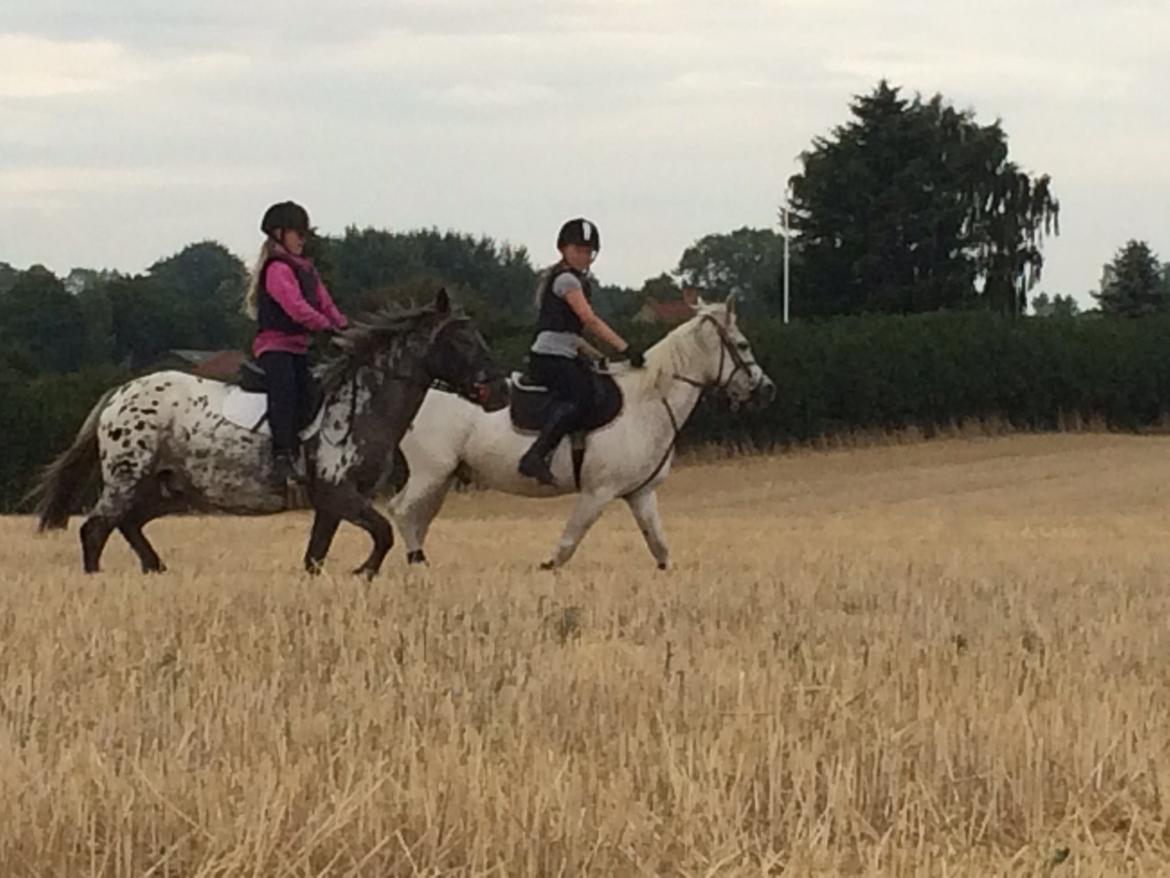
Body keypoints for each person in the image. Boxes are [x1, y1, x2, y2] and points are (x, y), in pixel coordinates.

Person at [518, 217, 644, 486]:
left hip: (564, 353)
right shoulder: (567, 281)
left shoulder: (575, 280)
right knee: (581, 396)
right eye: (579, 250)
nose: (584, 256)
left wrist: (600, 357)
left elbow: (572, 336)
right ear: (564, 249)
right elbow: (589, 320)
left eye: (589, 252)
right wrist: (626, 347)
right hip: (549, 358)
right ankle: (535, 456)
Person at [243, 201, 348, 486]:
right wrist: (325, 326)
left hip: (299, 347)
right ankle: (281, 456)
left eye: (304, 234)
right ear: (279, 234)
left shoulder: (306, 270)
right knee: (285, 392)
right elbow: (296, 307)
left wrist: (344, 326)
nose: (302, 239)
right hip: (275, 347)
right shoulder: (277, 269)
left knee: (314, 395)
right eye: (297, 233)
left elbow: (325, 303)